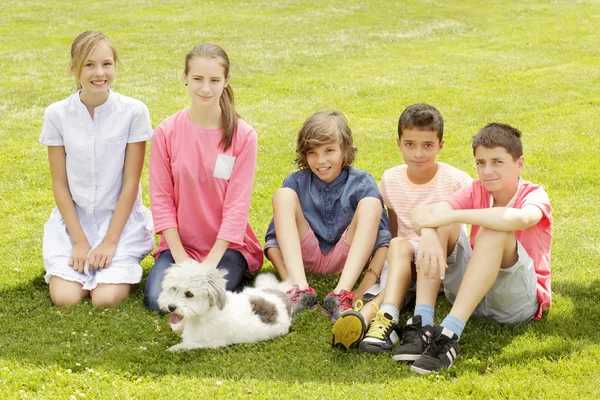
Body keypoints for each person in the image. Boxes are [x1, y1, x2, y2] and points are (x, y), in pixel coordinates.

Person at [404, 122, 552, 374]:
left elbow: (519, 219)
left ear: (520, 163)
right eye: (480, 163)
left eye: (497, 162)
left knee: (492, 228)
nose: (487, 171)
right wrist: (429, 232)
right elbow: (423, 213)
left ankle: (449, 334)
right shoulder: (475, 189)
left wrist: (450, 216)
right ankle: (423, 323)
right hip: (472, 293)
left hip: (516, 302)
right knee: (441, 225)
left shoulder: (534, 195)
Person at [331, 104, 472, 351]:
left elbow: (462, 232)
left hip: (444, 262)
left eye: (427, 145)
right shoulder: (391, 179)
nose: (418, 153)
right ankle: (382, 322)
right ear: (398, 143)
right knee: (397, 244)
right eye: (410, 144)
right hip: (405, 262)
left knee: (441, 221)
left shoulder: (457, 180)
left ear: (441, 145)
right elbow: (395, 231)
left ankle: (371, 316)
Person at [40, 31, 154, 307]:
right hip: (74, 224)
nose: (99, 72)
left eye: (106, 64)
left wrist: (109, 243)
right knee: (64, 298)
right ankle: (75, 255)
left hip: (120, 224)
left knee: (104, 299)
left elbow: (130, 183)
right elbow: (60, 184)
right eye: (89, 65)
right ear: (73, 68)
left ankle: (113, 262)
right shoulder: (56, 114)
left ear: (115, 66)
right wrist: (79, 242)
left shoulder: (134, 112)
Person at [145, 43, 263, 312]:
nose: (205, 88)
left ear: (226, 81)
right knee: (156, 302)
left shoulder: (244, 136)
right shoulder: (166, 132)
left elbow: (237, 205)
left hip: (227, 247)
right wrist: (180, 258)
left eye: (214, 80)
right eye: (197, 79)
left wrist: (211, 262)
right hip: (179, 245)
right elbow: (161, 199)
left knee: (206, 300)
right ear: (185, 78)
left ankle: (235, 271)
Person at [264, 109, 391, 323]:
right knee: (283, 195)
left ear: (345, 150)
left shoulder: (362, 182)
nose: (320, 160)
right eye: (312, 152)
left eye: (329, 150)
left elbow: (383, 240)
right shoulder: (296, 182)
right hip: (306, 254)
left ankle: (340, 294)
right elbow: (273, 241)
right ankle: (301, 290)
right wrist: (287, 280)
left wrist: (364, 285)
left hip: (348, 255)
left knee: (371, 204)